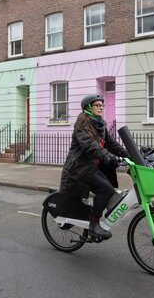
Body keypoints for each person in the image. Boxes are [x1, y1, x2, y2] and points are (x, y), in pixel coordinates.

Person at [59, 94, 129, 239]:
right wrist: (108, 156)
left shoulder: (100, 124)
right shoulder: (82, 125)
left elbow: (112, 144)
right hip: (80, 167)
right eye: (98, 105)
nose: (101, 107)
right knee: (106, 189)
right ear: (88, 108)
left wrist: (129, 154)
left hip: (91, 167)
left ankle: (97, 215)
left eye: (102, 105)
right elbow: (90, 146)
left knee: (109, 189)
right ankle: (94, 225)